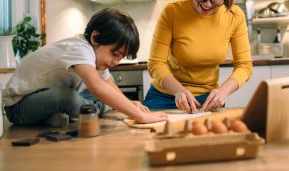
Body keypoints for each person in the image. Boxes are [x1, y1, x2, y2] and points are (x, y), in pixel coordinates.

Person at [3, 8, 167, 127]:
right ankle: (91, 109)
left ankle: (56, 117)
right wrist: (139, 116)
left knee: (94, 93)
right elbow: (97, 87)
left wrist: (130, 104)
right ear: (96, 38)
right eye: (115, 53)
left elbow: (109, 84)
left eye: (120, 57)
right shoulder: (80, 48)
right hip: (18, 106)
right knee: (68, 97)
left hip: (44, 98)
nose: (116, 61)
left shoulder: (96, 58)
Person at [143, 0, 252, 113]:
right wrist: (178, 91)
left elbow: (244, 65)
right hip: (165, 95)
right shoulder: (172, 12)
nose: (207, 4)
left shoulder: (235, 16)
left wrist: (223, 91)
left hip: (208, 99)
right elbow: (155, 63)